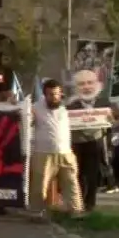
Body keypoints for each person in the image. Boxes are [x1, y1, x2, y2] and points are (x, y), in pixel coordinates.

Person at [29, 79, 84, 216]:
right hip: (43, 153)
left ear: (61, 94)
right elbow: (25, 121)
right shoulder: (35, 108)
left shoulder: (67, 107)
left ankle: (76, 211)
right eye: (50, 94)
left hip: (65, 152)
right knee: (39, 185)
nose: (54, 97)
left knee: (71, 183)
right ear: (44, 95)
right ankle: (36, 212)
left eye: (56, 94)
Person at [66, 80, 104, 213]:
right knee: (78, 174)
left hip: (95, 142)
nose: (87, 89)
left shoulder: (102, 103)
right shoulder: (71, 105)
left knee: (92, 174)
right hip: (77, 143)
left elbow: (116, 117)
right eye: (83, 86)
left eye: (90, 86)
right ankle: (78, 202)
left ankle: (90, 203)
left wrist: (113, 116)